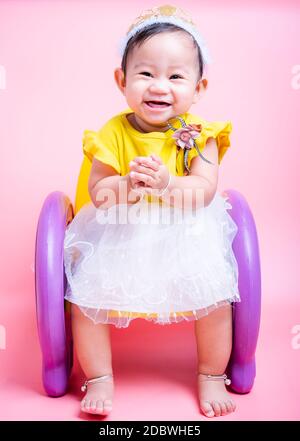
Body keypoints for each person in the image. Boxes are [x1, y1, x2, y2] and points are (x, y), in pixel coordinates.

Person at [63, 4, 240, 418]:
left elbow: (204, 191)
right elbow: (98, 192)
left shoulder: (201, 136)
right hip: (121, 231)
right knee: (87, 297)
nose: (159, 85)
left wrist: (167, 184)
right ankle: (100, 376)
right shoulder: (112, 132)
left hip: (187, 232)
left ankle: (212, 373)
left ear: (199, 88)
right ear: (122, 80)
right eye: (145, 73)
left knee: (214, 297)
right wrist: (125, 185)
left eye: (176, 76)